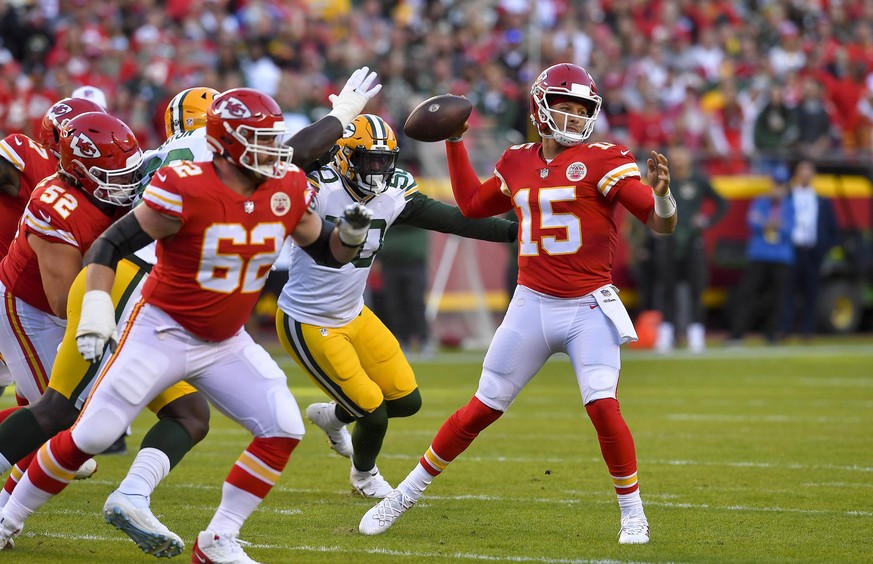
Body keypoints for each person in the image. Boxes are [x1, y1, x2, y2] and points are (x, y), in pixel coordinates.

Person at [0, 82, 380, 563]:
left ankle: (217, 538)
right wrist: (96, 305)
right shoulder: (184, 182)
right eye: (260, 140)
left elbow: (326, 249)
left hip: (224, 339)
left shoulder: (283, 185)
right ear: (225, 142)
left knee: (283, 424)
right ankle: (7, 520)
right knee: (85, 430)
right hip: (157, 323)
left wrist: (349, 236)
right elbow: (110, 245)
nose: (274, 151)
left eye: (272, 139)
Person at [359, 63, 676, 545]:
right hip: (531, 303)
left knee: (603, 407)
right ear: (540, 107)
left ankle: (633, 513)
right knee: (481, 409)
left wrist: (664, 199)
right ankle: (405, 493)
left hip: (588, 305)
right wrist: (454, 142)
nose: (572, 117)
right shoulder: (518, 160)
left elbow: (658, 223)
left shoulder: (606, 157)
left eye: (581, 109)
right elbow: (471, 205)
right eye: (564, 107)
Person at [275, 114, 516, 499]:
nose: (378, 170)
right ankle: (364, 476)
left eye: (384, 161)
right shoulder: (318, 186)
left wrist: (516, 230)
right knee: (373, 410)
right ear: (343, 157)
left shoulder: (394, 192)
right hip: (308, 320)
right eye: (369, 160)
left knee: (405, 401)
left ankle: (333, 416)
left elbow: (454, 220)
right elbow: (281, 170)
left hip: (354, 314)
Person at [0, 97, 104, 400]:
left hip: (37, 294)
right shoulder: (28, 156)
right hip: (15, 291)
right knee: (55, 407)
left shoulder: (87, 187)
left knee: (41, 398)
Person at [652, 145, 726, 354]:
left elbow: (722, 204)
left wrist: (706, 221)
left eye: (681, 156)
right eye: (674, 157)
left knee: (696, 289)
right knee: (666, 289)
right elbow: (648, 203)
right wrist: (653, 224)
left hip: (693, 242)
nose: (678, 161)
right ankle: (666, 336)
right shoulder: (662, 181)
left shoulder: (699, 181)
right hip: (669, 241)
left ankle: (696, 336)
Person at [727, 165, 795, 343]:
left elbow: (789, 230)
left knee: (777, 298)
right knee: (746, 294)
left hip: (781, 256)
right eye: (776, 183)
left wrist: (766, 223)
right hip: (759, 254)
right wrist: (771, 224)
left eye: (781, 184)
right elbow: (752, 223)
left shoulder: (790, 205)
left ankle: (772, 334)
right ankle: (737, 334)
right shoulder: (760, 201)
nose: (778, 188)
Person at [780, 159, 838, 339]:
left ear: (814, 175)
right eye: (802, 170)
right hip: (791, 250)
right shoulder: (787, 197)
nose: (805, 174)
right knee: (787, 291)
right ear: (796, 174)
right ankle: (784, 329)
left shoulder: (821, 201)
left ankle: (807, 330)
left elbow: (832, 227)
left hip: (812, 251)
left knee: (811, 292)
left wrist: (823, 247)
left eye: (809, 171)